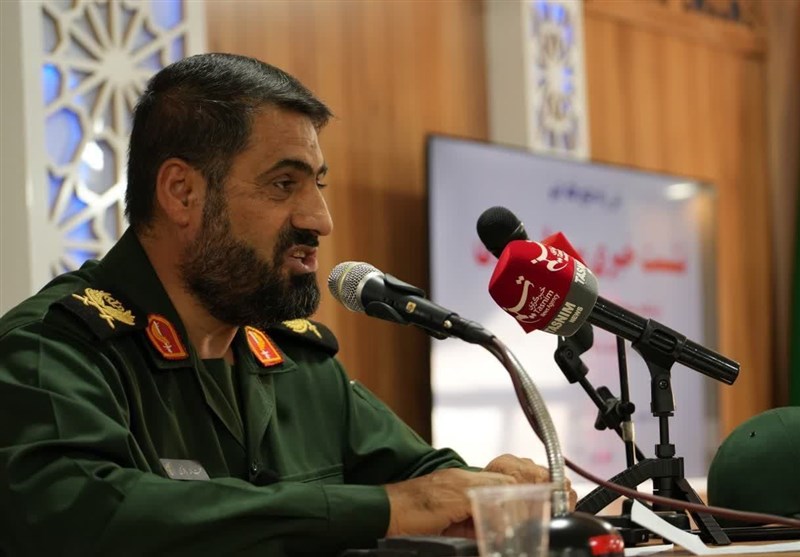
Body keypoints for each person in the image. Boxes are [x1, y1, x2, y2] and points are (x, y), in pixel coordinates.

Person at [0, 53, 571, 556]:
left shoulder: (293, 358)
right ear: (181, 192)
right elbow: (81, 520)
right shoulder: (52, 351)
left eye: (317, 183)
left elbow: (418, 477)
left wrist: (489, 490)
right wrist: (386, 509)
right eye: (282, 184)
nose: (320, 219)